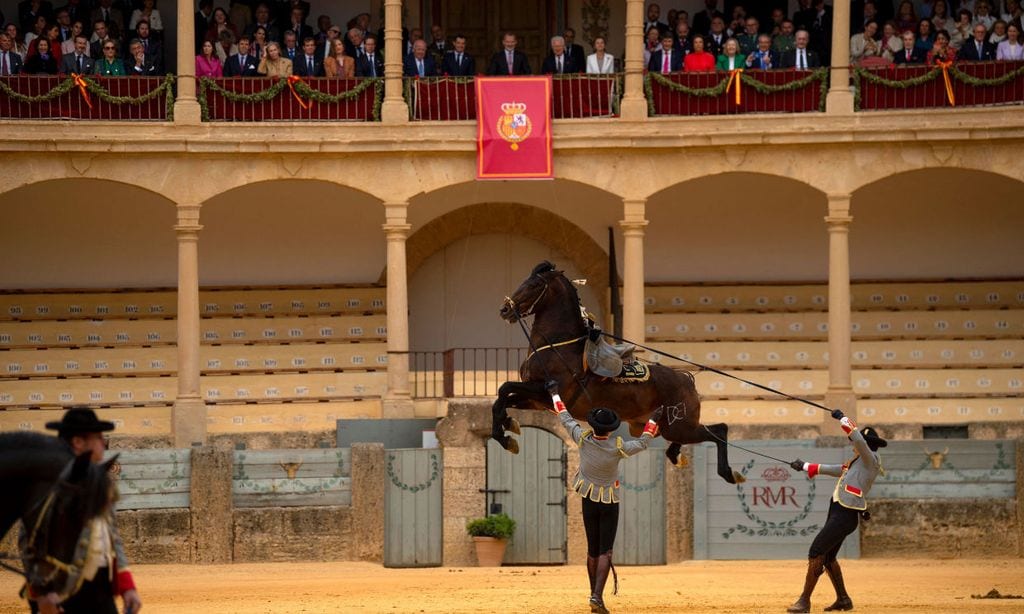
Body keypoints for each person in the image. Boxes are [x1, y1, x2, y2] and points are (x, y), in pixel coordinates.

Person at [546, 381, 660, 614]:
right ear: (610, 429)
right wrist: (653, 420)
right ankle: (597, 596)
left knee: (592, 550)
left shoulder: (583, 438)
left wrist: (555, 393)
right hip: (609, 501)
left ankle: (593, 595)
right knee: (605, 551)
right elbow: (643, 442)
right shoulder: (617, 447)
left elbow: (565, 417)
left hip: (588, 497)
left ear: (595, 426)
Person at [26, 407, 143, 614]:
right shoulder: (50, 480)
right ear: (78, 443)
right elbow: (29, 541)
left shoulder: (101, 479)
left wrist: (127, 586)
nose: (103, 443)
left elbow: (112, 536)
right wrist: (42, 593)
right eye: (97, 437)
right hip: (61, 591)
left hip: (101, 588)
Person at [786, 411, 887, 613]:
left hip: (844, 514)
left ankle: (804, 601)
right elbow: (835, 469)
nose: (853, 444)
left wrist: (843, 419)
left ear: (868, 444)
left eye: (858, 442)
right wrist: (805, 466)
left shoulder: (870, 458)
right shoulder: (858, 462)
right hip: (840, 511)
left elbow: (857, 438)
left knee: (817, 551)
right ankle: (843, 600)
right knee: (829, 557)